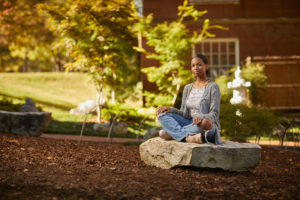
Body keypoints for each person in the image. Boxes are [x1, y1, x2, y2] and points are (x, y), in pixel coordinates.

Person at [156, 54, 222, 144]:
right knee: (162, 115)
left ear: (206, 66)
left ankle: (172, 133)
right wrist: (171, 109)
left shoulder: (213, 87)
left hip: (202, 124)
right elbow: (184, 113)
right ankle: (187, 138)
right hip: (188, 122)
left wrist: (201, 117)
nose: (196, 68)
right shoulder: (188, 88)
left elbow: (215, 114)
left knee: (205, 124)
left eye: (199, 64)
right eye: (193, 66)